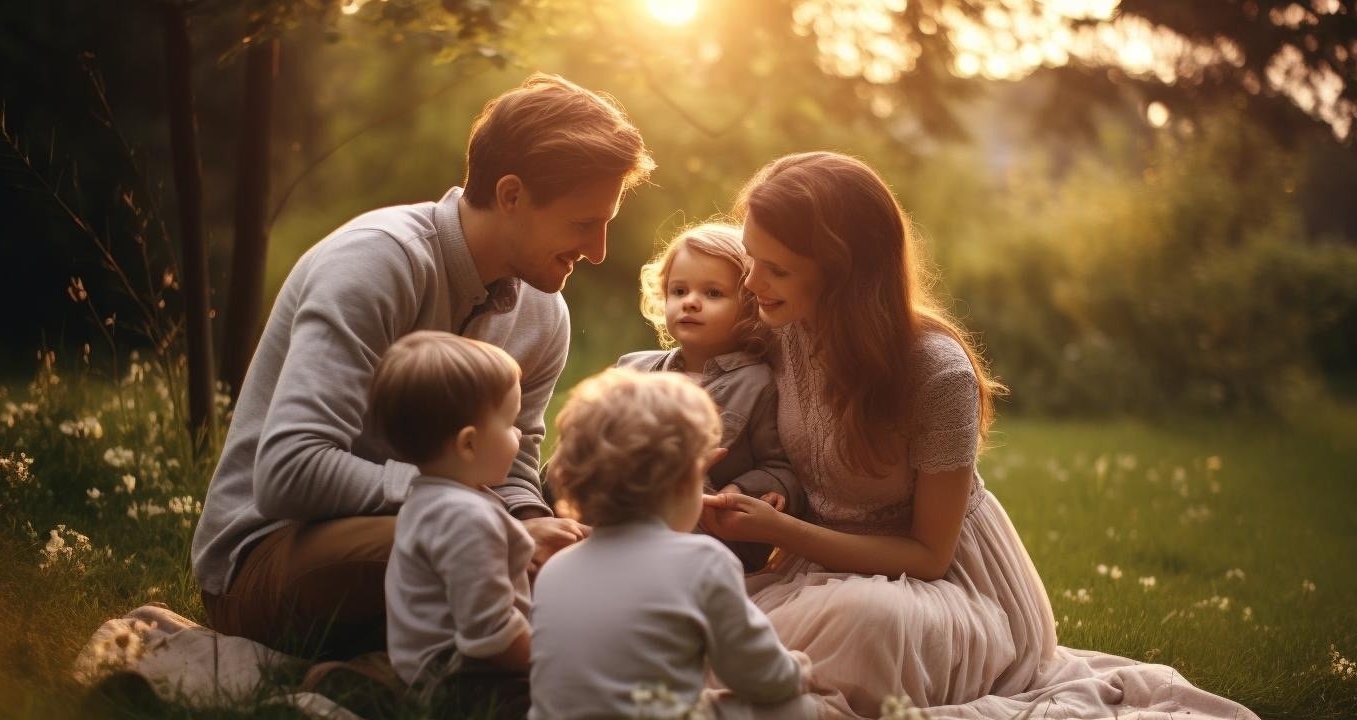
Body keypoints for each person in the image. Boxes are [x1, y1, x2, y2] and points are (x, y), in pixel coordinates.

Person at [700, 151, 1259, 718]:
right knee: (688, 604)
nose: (751, 281)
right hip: (817, 571)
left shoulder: (936, 372)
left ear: (842, 271)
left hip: (941, 588)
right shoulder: (779, 326)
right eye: (750, 258)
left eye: (776, 268)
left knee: (869, 624)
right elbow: (678, 367)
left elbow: (927, 556)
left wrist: (785, 532)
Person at [190, 73, 655, 660]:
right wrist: (495, 525)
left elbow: (512, 467)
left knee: (583, 569)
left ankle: (381, 679)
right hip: (268, 557)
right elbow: (288, 470)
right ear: (511, 195)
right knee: (478, 549)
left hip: (443, 539)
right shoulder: (376, 263)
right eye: (584, 223)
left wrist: (538, 528)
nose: (599, 251)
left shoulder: (545, 314)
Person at [532, 368, 810, 720]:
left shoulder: (556, 568)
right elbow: (759, 676)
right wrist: (796, 670)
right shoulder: (704, 561)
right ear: (683, 484)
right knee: (796, 707)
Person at [616, 222, 804, 572]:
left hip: (711, 539)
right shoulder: (633, 371)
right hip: (626, 526)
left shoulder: (758, 383)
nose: (690, 302)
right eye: (679, 291)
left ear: (750, 305)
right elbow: (587, 449)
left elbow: (779, 466)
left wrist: (754, 487)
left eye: (713, 293)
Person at [369, 332, 534, 718]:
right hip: (462, 678)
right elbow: (490, 634)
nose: (520, 434)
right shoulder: (466, 520)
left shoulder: (428, 497)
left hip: (428, 669)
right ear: (469, 444)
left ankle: (375, 685)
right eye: (511, 424)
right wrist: (551, 658)